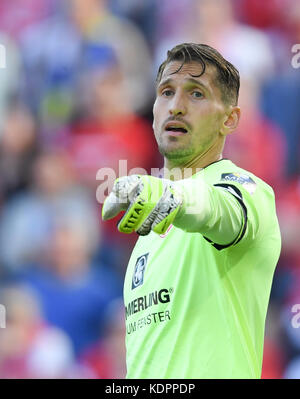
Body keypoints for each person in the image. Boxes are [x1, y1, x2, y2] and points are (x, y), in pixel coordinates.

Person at [102, 43, 281, 379]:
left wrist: (166, 193)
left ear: (230, 119)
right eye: (166, 92)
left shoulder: (249, 192)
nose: (176, 107)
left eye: (196, 94)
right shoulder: (148, 235)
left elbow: (213, 208)